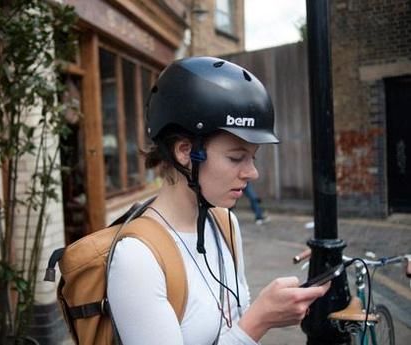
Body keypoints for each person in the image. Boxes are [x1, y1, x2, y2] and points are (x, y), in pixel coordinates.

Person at [107, 57, 329, 344]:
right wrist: (260, 320)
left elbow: (233, 322)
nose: (253, 173)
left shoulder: (224, 222)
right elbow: (246, 327)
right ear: (185, 151)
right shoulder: (137, 258)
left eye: (253, 157)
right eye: (236, 157)